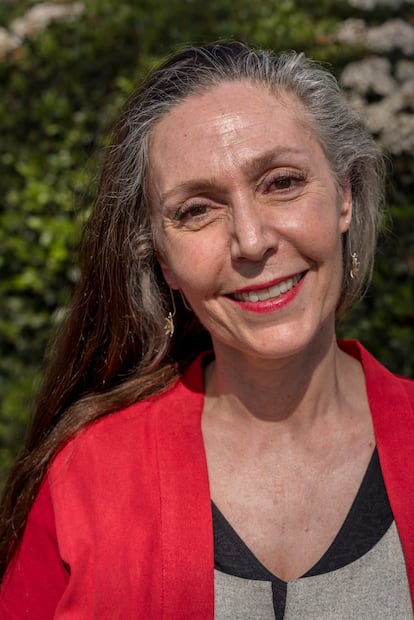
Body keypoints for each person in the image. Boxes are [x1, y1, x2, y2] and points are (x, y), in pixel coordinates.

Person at [0, 41, 413, 619]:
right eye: (196, 210)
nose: (250, 240)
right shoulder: (85, 478)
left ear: (343, 196)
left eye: (283, 182)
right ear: (163, 261)